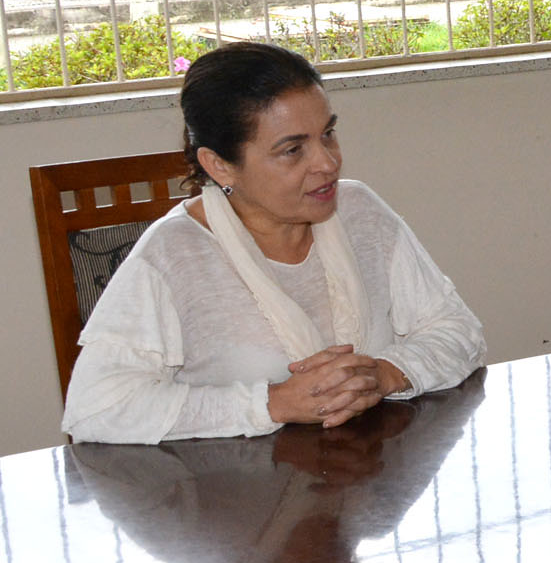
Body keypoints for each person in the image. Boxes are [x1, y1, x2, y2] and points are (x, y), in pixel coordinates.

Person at [62, 42, 486, 443]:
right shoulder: (172, 255)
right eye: (292, 150)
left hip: (371, 470)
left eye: (328, 134)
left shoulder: (360, 210)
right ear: (219, 165)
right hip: (237, 488)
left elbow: (458, 330)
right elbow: (96, 408)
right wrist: (273, 402)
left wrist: (386, 373)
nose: (327, 162)